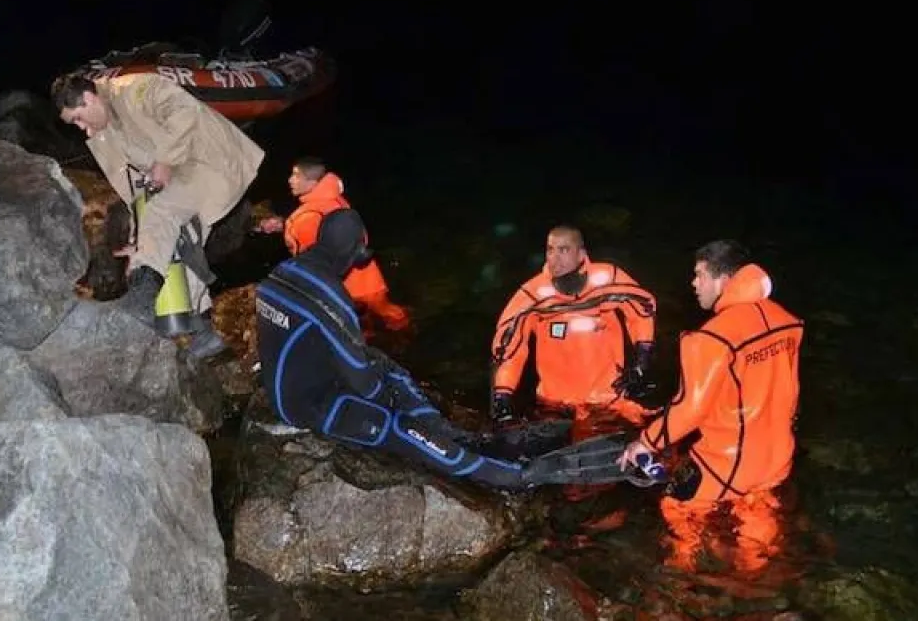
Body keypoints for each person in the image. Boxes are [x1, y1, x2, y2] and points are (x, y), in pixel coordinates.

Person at [255, 207, 573, 490]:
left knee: (381, 362)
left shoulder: (282, 272)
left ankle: (446, 430)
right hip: (310, 408)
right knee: (403, 428)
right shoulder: (331, 296)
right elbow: (364, 386)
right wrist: (388, 398)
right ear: (352, 253)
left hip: (288, 387)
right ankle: (511, 475)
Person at [618, 240, 804, 572]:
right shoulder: (786, 321)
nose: (693, 283)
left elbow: (690, 410)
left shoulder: (711, 338)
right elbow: (792, 392)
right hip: (777, 457)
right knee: (756, 509)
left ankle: (683, 578)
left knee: (676, 503)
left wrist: (644, 442)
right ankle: (759, 581)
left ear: (722, 280)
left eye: (699, 275)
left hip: (727, 464)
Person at [51, 73, 264, 358]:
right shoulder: (101, 134)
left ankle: (145, 293)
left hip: (211, 160)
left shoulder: (138, 89)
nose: (82, 128)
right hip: (180, 176)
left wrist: (164, 161)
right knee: (181, 240)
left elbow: (184, 111)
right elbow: (132, 192)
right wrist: (141, 240)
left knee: (164, 212)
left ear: (89, 99)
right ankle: (199, 329)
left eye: (79, 118)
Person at [490, 225, 658, 429]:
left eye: (564, 250)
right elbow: (510, 349)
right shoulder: (532, 296)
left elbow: (642, 311)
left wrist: (642, 361)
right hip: (554, 404)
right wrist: (502, 396)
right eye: (550, 249)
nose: (554, 257)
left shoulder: (609, 281)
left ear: (581, 254)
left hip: (608, 400)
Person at [257, 156, 410, 333]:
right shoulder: (335, 199)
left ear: (312, 181)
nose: (290, 180)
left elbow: (310, 263)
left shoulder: (304, 217)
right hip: (367, 276)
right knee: (390, 313)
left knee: (354, 330)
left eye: (297, 176)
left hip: (343, 287)